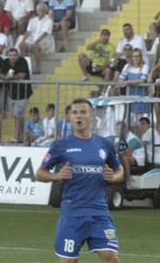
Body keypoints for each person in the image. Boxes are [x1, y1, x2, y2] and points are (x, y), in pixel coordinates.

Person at [37, 98, 124, 262]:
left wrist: (114, 177)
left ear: (92, 116)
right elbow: (40, 173)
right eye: (75, 113)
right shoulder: (61, 145)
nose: (79, 116)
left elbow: (120, 170)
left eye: (83, 112)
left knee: (112, 258)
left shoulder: (104, 144)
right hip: (73, 213)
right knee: (69, 261)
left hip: (99, 212)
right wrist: (57, 176)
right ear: (70, 117)